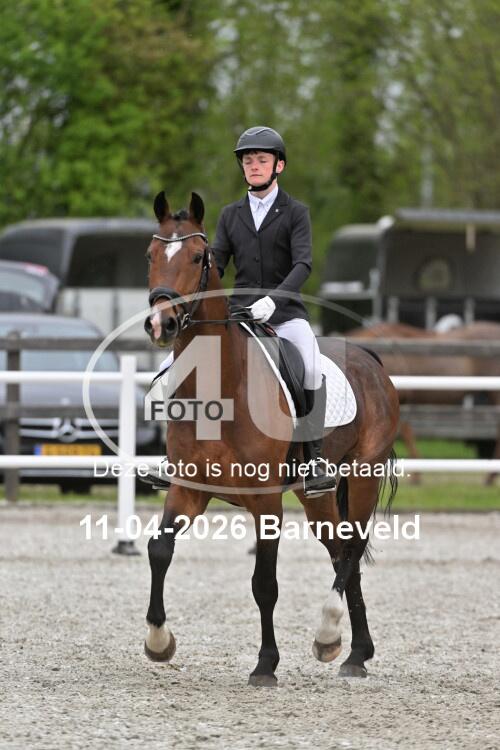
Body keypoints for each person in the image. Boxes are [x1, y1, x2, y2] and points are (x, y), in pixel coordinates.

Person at [212, 126, 336, 497]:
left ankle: (313, 458)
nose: (254, 166)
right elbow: (217, 264)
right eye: (248, 160)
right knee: (185, 362)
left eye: (261, 160)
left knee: (310, 366)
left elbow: (303, 264)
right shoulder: (230, 215)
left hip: (285, 314)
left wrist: (274, 301)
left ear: (278, 165)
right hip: (240, 315)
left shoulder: (296, 212)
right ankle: (176, 454)